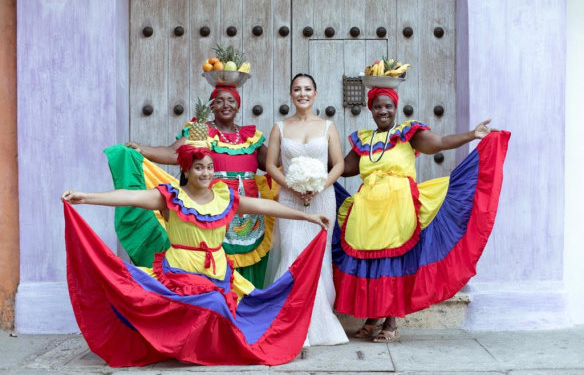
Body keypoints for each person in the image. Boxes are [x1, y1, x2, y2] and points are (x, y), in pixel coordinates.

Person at [61, 140, 331, 367]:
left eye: (210, 168)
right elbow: (128, 197)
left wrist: (306, 217)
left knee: (231, 306)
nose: (206, 173)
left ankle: (199, 349)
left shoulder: (224, 198)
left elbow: (263, 206)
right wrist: (86, 197)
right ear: (187, 171)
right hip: (180, 274)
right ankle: (178, 346)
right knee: (210, 302)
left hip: (217, 273)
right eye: (199, 168)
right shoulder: (171, 196)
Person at [333, 86, 510, 342]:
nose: (383, 111)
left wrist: (472, 134)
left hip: (398, 207)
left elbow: (438, 143)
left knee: (392, 260)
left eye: (388, 106)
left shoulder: (407, 134)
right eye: (378, 106)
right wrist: (313, 162)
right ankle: (372, 317)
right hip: (367, 210)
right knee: (372, 260)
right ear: (370, 110)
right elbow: (345, 167)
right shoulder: (363, 140)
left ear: (395, 108)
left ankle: (391, 323)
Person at [117, 85, 273, 288]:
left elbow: (272, 164)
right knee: (215, 255)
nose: (225, 105)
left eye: (231, 100)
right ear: (212, 106)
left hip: (248, 215)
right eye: (219, 101)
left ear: (238, 106)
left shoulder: (251, 137)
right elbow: (175, 153)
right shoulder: (201, 131)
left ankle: (246, 307)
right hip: (213, 207)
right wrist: (143, 150)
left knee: (249, 255)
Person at [265, 73, 349, 346]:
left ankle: (319, 324)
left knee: (318, 258)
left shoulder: (327, 127)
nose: (302, 93)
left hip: (322, 199)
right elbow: (270, 165)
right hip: (289, 200)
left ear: (315, 94)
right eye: (297, 89)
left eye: (307, 89)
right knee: (290, 252)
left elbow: (338, 164)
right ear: (290, 95)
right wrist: (290, 186)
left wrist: (321, 185)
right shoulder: (279, 127)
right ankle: (287, 322)